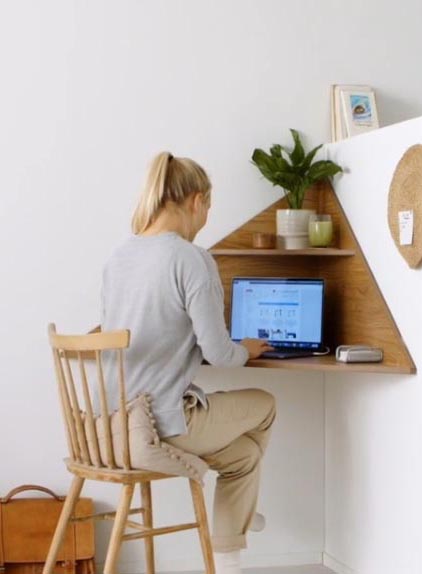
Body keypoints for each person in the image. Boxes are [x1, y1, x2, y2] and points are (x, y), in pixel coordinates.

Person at [101, 151, 275, 574]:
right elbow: (219, 353)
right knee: (265, 402)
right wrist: (248, 349)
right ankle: (240, 523)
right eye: (208, 209)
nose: (205, 221)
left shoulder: (121, 255)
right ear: (196, 200)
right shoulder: (190, 259)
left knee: (244, 457)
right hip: (162, 422)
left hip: (114, 422)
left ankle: (233, 547)